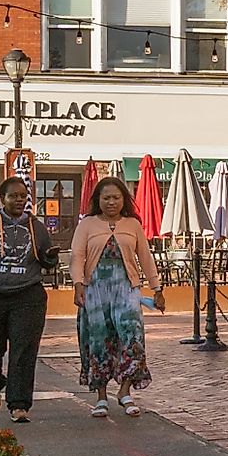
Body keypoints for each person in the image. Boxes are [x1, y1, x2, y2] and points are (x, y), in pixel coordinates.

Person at [0, 178, 59, 420]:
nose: (19, 200)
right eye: (13, 196)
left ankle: (19, 404)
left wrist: (50, 258)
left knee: (23, 350)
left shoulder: (36, 226)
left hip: (27, 294)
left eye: (23, 196)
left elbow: (45, 260)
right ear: (3, 198)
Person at [70, 176, 160, 417]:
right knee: (98, 340)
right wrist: (78, 284)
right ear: (98, 200)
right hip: (95, 290)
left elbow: (145, 257)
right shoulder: (87, 224)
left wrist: (156, 287)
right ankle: (101, 397)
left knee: (132, 338)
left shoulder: (133, 225)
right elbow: (77, 256)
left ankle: (125, 391)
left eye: (116, 197)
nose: (111, 202)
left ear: (124, 200)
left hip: (127, 290)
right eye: (106, 197)